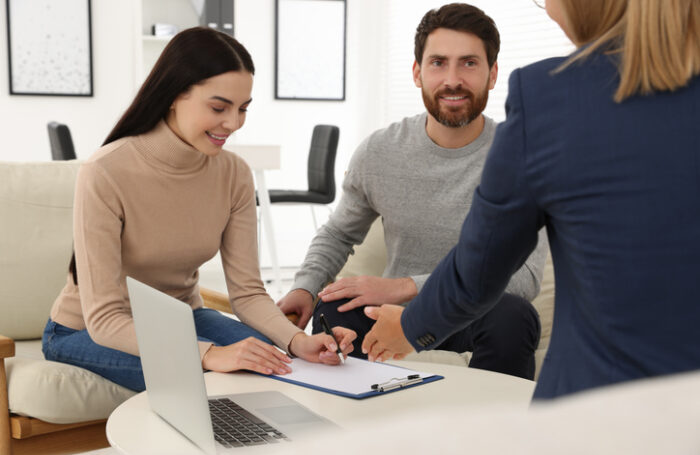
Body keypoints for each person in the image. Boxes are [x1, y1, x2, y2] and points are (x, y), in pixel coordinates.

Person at [362, 0, 700, 399]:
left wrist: (409, 326)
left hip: (598, 401)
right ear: (418, 72)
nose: (548, 9)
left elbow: (481, 267)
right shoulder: (382, 150)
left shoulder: (553, 98)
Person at [42, 27, 355, 393]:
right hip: (87, 332)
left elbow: (249, 293)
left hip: (184, 319)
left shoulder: (234, 173)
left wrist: (296, 341)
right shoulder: (106, 172)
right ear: (174, 95)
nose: (234, 123)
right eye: (219, 107)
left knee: (281, 365)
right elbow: (106, 319)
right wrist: (207, 355)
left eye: (243, 109)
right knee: (218, 377)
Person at [278, 3, 548, 380]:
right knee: (333, 306)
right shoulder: (379, 151)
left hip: (475, 316)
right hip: (384, 318)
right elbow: (339, 233)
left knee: (515, 316)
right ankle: (351, 426)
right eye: (438, 63)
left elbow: (523, 279)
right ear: (417, 73)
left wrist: (404, 288)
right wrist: (305, 287)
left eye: (469, 63)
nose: (452, 79)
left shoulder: (523, 154)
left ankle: (497, 435)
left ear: (492, 74)